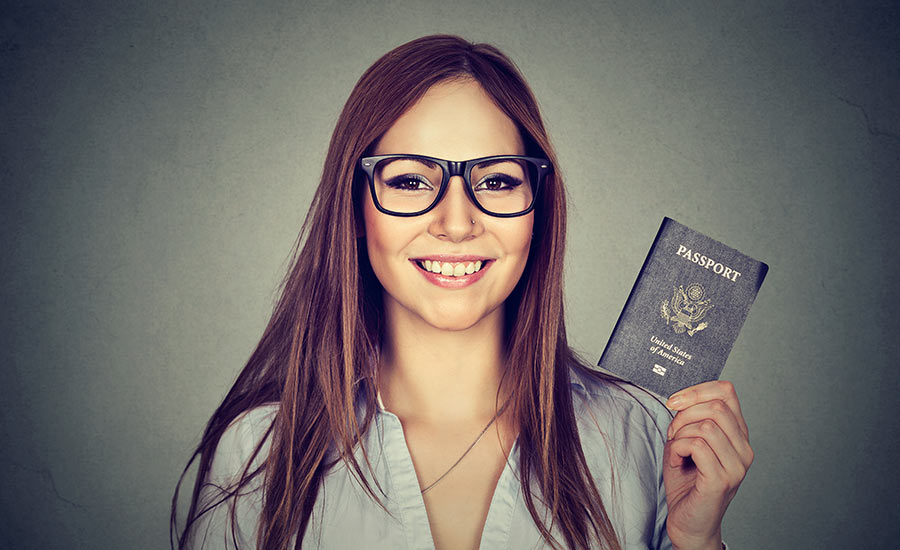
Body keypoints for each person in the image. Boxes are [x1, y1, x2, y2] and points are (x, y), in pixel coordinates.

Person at [170, 34, 753, 550]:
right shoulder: (259, 456)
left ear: (538, 212)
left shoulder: (644, 439)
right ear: (354, 209)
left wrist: (698, 543)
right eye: (408, 180)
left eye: (496, 180)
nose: (456, 222)